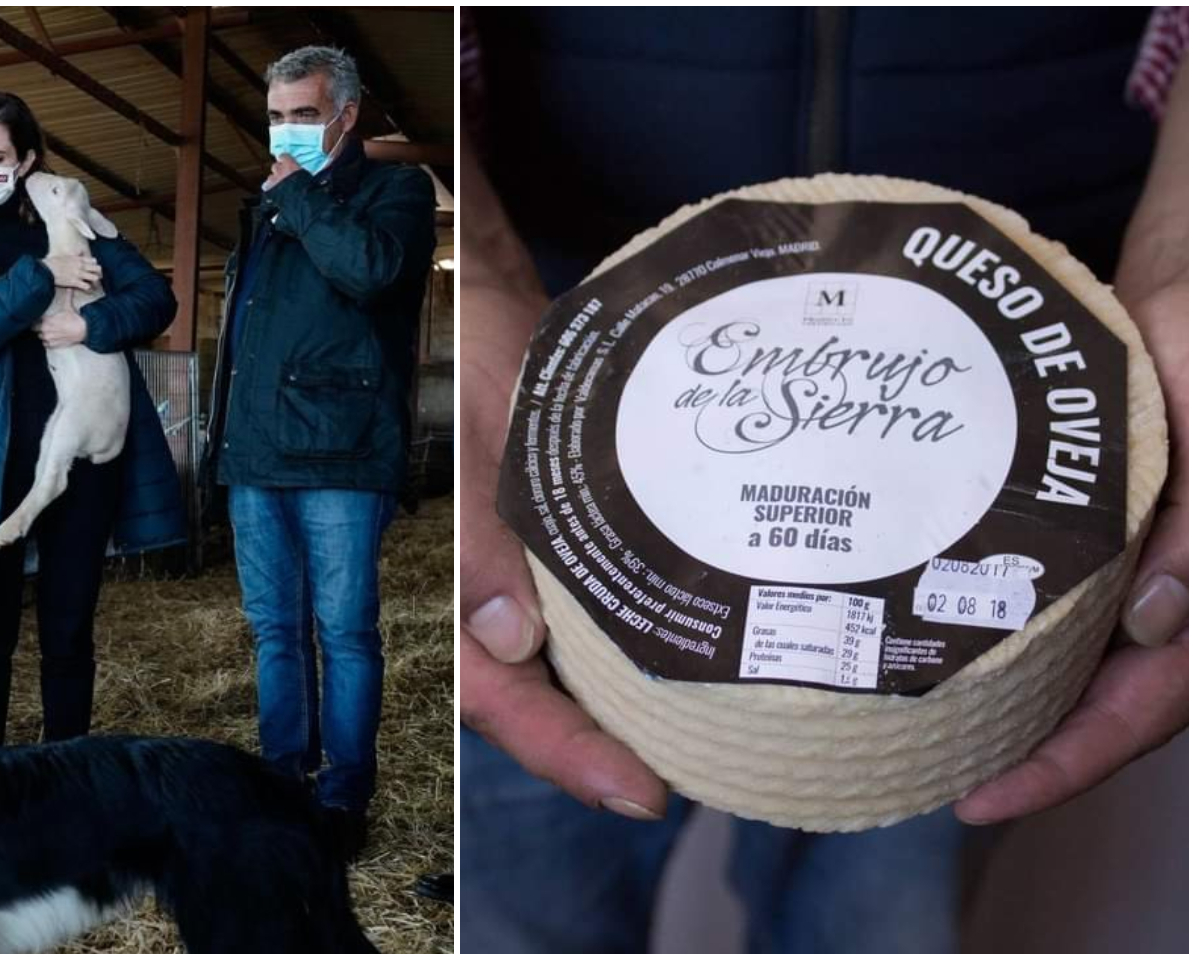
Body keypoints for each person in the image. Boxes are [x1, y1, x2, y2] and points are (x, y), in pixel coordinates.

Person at [458, 8, 1187, 952]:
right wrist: (473, 262)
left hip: (1026, 382)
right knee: (537, 915)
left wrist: (1181, 244)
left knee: (878, 919)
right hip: (573, 361)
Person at [206, 46, 437, 860]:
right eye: (275, 116)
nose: (286, 131)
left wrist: (300, 194)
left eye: (302, 114)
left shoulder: (396, 190)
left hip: (342, 448)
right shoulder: (266, 205)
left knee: (343, 630)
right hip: (259, 451)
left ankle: (342, 797)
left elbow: (371, 272)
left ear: (346, 114)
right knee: (273, 629)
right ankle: (281, 783)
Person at [0, 92, 183, 746]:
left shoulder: (79, 221)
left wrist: (90, 320)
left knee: (67, 628)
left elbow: (155, 299)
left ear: (26, 159)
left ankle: (66, 772)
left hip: (83, 459)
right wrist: (41, 276)